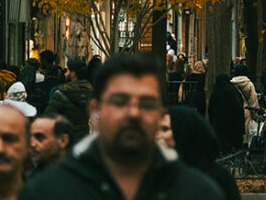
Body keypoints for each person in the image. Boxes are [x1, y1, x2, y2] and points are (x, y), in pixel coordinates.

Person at [18, 52, 223, 200]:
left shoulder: (198, 192)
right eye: (120, 101)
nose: (133, 113)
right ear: (94, 109)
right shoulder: (47, 191)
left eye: (146, 104)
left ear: (161, 115)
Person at [163, 107, 240, 200]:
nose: (158, 134)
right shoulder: (160, 173)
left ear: (182, 131)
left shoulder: (219, 178)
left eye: (165, 129)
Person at [44, 58, 93, 145]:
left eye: (67, 71)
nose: (65, 74)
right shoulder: (92, 93)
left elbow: (49, 117)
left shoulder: (60, 94)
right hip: (84, 140)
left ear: (73, 73)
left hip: (65, 141)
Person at [207, 74, 245, 152]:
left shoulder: (216, 90)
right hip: (233, 121)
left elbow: (211, 108)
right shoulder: (233, 90)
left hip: (219, 121)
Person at [229, 66, 259, 143]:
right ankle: (244, 144)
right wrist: (255, 113)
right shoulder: (249, 84)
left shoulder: (231, 83)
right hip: (246, 110)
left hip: (233, 108)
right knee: (245, 129)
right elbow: (253, 100)